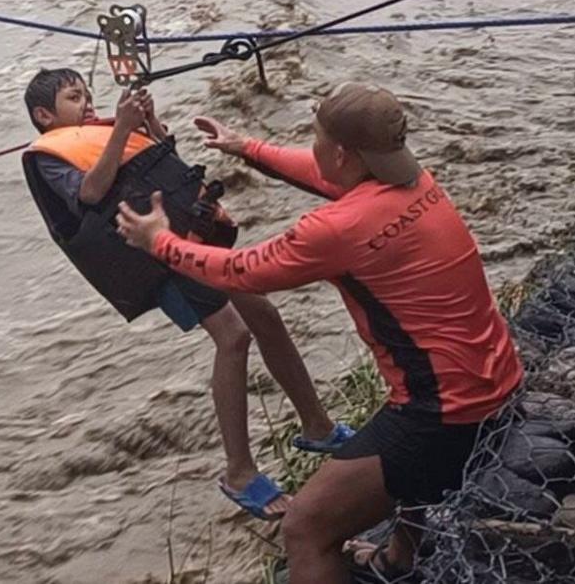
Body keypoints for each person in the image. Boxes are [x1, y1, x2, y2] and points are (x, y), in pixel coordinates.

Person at [116, 82, 523, 582]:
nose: (313, 147)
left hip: (444, 416)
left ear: (342, 153)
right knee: (399, 441)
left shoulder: (337, 229)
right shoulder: (417, 184)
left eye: (316, 136)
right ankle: (400, 559)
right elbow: (327, 176)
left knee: (307, 527)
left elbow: (241, 271)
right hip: (500, 384)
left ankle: (383, 555)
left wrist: (159, 241)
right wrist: (248, 148)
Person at [21, 68, 353, 520]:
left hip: (189, 238)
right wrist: (120, 129)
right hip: (153, 255)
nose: (88, 104)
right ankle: (240, 472)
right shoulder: (50, 155)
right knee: (232, 338)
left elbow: (162, 158)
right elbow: (92, 191)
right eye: (74, 98)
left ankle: (317, 426)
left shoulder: (100, 132)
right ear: (44, 115)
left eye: (87, 95)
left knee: (266, 316)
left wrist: (149, 124)